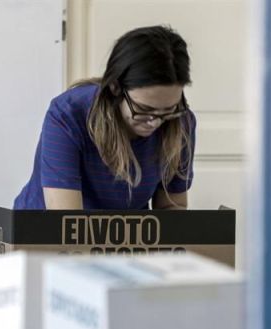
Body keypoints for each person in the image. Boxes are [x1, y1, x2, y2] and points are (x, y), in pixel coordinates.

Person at [14, 25, 196, 210]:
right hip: (42, 232)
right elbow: (66, 222)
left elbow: (171, 209)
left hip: (123, 235)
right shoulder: (68, 114)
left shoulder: (180, 121)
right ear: (115, 88)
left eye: (168, 109)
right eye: (143, 109)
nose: (155, 121)